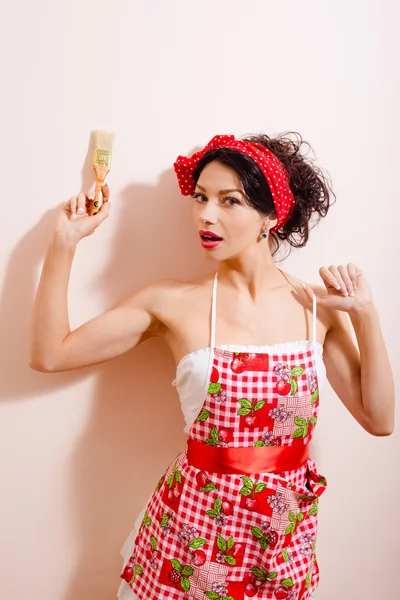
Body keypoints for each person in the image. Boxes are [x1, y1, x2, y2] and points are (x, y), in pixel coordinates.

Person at [29, 133, 394, 600]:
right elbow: (50, 354)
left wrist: (363, 313)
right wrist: (64, 243)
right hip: (191, 536)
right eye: (200, 197)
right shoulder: (173, 303)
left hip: (280, 544)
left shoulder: (315, 308)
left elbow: (381, 421)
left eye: (230, 201)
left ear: (271, 216)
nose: (205, 214)